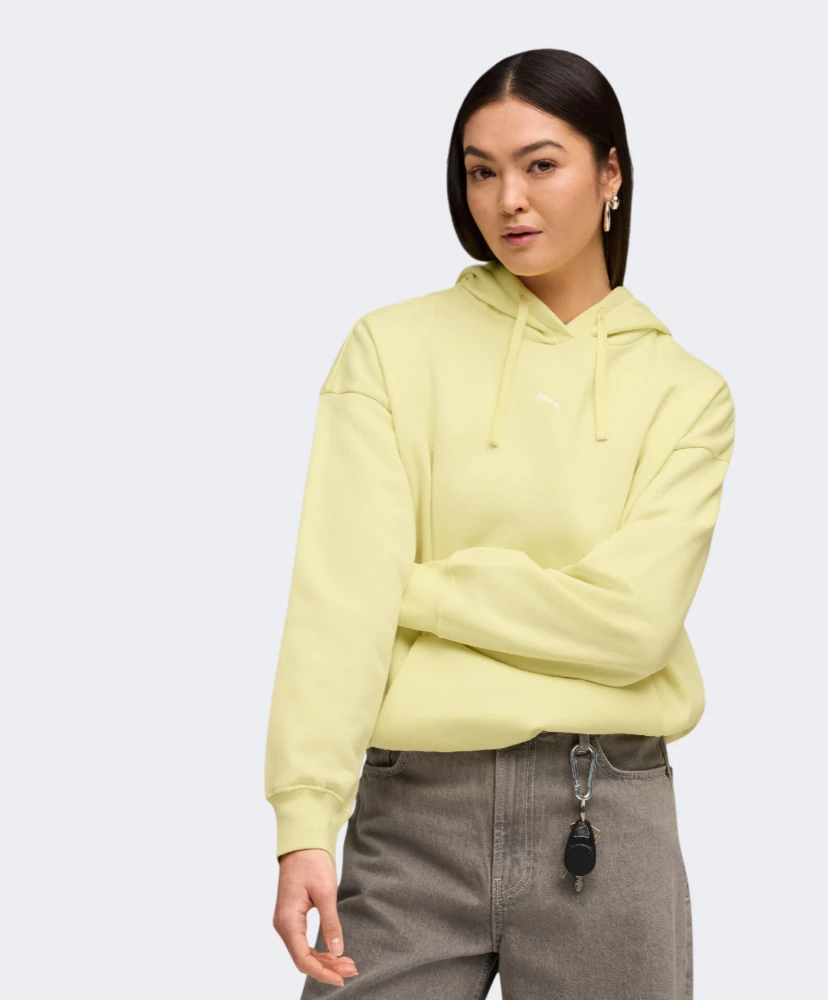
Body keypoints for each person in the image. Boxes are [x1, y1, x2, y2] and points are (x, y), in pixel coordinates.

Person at [265, 47, 736, 999]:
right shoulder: (391, 351)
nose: (507, 200)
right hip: (412, 813)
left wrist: (416, 589)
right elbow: (337, 603)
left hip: (606, 814)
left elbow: (632, 626)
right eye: (481, 171)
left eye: (540, 164)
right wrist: (306, 820)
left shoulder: (687, 395)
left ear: (610, 173)